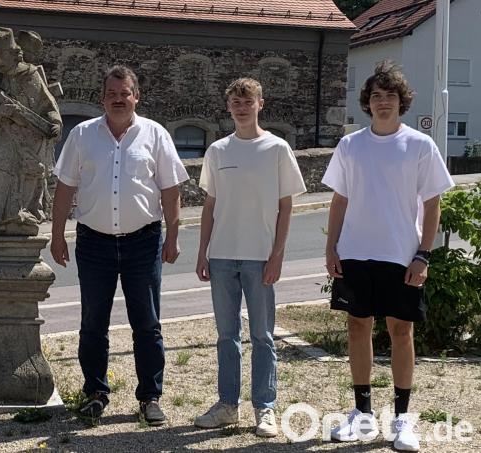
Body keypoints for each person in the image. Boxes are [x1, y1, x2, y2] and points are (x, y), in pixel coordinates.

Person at [323, 61, 454, 452]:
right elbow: (338, 201)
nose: (383, 102)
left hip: (401, 256)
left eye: (390, 96)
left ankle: (402, 420)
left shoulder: (419, 145)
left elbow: (432, 205)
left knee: (401, 332)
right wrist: (331, 247)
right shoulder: (351, 145)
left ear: (401, 101)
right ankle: (362, 415)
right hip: (355, 254)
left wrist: (423, 255)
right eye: (376, 96)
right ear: (367, 102)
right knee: (357, 328)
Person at [51, 65, 188, 426]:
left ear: (135, 96)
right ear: (103, 98)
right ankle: (96, 393)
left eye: (124, 93)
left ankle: (150, 397)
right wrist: (55, 235)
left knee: (147, 324)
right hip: (93, 243)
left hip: (143, 242)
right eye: (111, 93)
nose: (118, 99)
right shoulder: (82, 135)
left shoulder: (155, 135)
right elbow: (64, 187)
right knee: (93, 323)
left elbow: (171, 189)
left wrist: (173, 235)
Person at [193, 78, 306, 437]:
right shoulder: (218, 151)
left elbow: (285, 206)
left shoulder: (276, 149)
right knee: (227, 335)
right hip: (223, 255)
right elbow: (210, 205)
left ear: (260, 103)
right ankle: (228, 405)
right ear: (228, 107)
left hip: (260, 257)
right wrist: (203, 252)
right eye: (235, 102)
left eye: (248, 101)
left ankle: (265, 408)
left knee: (262, 336)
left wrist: (277, 256)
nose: (241, 107)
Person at [0, 27, 61, 234]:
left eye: (1, 55)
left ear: (13, 53)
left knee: (31, 172)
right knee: (0, 168)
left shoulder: (30, 75)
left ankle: (26, 212)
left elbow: (47, 105)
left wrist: (55, 122)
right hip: (3, 134)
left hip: (31, 136)